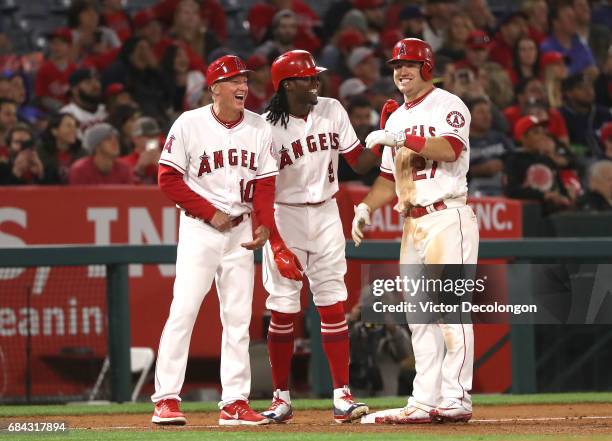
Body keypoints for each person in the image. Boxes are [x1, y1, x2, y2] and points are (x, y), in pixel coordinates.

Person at [150, 55, 302, 426]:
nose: (242, 87)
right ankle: (166, 399)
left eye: (245, 81)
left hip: (241, 230)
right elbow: (168, 178)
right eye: (233, 80)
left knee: (238, 320)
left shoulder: (258, 126)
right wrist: (209, 212)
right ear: (214, 88)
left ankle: (234, 401)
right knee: (183, 310)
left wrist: (265, 225)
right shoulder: (189, 124)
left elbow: (266, 183)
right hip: (202, 229)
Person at [352, 38, 479, 424]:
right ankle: (425, 399)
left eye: (409, 64)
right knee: (420, 317)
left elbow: (450, 149)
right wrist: (365, 206)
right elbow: (388, 179)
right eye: (396, 65)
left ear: (427, 68)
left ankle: (456, 397)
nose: (401, 71)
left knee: (449, 311)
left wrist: (401, 137)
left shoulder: (448, 104)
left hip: (447, 215)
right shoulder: (395, 117)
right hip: (413, 222)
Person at [259, 50, 379, 424]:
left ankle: (342, 394)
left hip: (326, 212)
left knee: (332, 303)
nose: (316, 82)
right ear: (288, 84)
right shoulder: (265, 126)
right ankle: (281, 397)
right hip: (286, 214)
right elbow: (260, 191)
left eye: (315, 76)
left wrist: (381, 136)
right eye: (308, 78)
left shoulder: (332, 109)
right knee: (282, 308)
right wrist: (275, 242)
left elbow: (358, 162)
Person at [68, 122, 132, 184]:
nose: (115, 142)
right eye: (108, 139)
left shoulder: (124, 169)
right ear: (96, 146)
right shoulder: (80, 170)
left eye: (116, 138)